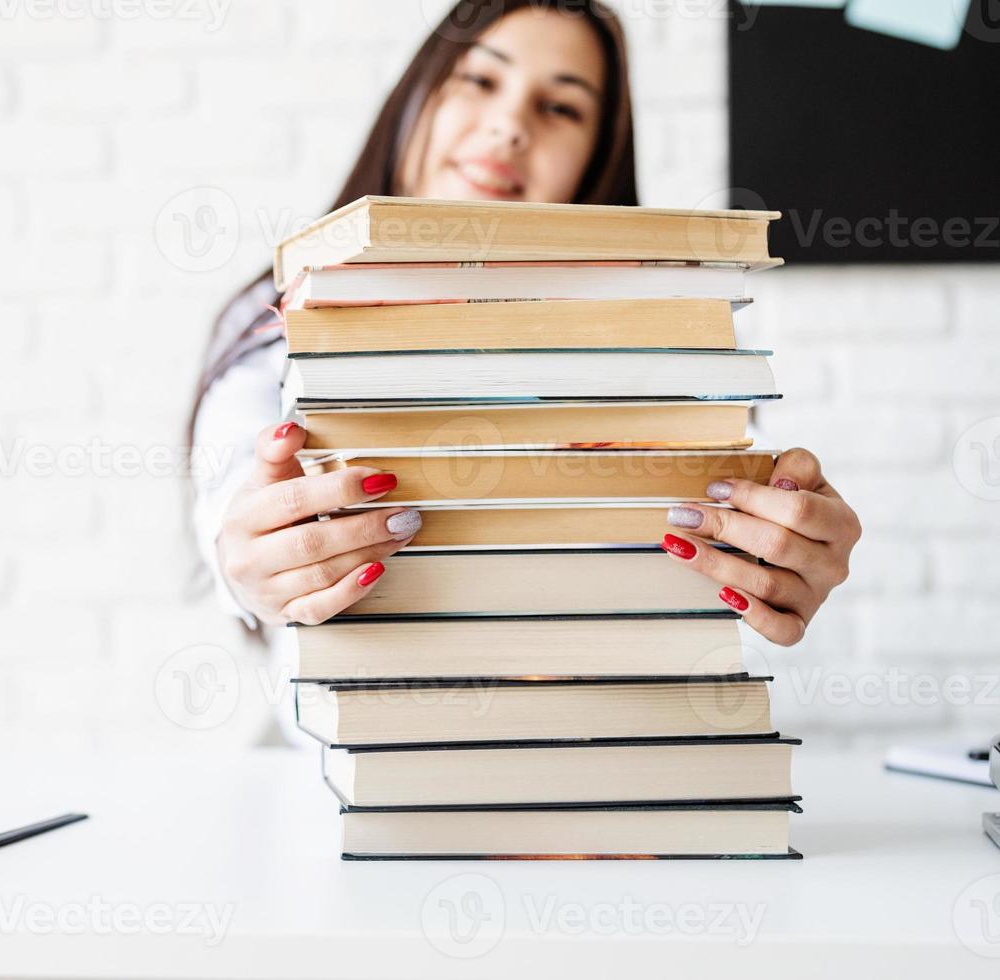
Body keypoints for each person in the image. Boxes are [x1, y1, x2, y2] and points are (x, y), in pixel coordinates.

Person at [189, 1, 861, 722]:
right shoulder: (271, 319)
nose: (511, 126)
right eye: (480, 81)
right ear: (417, 95)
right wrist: (249, 556)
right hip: (354, 764)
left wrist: (778, 548)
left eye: (560, 108)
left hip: (601, 752)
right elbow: (231, 486)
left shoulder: (665, 349)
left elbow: (711, 516)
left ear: (597, 156)